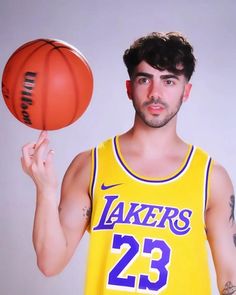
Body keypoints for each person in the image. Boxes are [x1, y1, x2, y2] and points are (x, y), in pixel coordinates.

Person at [21, 32, 236, 295]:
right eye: (144, 79)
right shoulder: (90, 165)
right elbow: (50, 263)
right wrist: (45, 189)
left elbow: (230, 277)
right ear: (129, 88)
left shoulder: (210, 177)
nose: (155, 93)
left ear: (185, 91)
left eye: (169, 81)